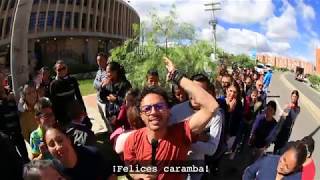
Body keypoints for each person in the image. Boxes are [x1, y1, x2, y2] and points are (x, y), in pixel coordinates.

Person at [123, 57, 219, 180]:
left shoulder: (181, 134)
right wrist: (139, 175)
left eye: (159, 106)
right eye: (147, 108)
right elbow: (130, 168)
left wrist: (177, 76)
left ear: (169, 111)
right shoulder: (132, 140)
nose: (153, 112)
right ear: (141, 114)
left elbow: (211, 106)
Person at [170, 73, 223, 180]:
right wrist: (198, 137)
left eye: (200, 92)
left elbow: (211, 149)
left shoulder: (216, 115)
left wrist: (184, 140)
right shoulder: (175, 111)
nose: (195, 95)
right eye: (192, 90)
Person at [44, 126, 115, 180]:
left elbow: (111, 176)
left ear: (68, 139)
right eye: (52, 144)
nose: (58, 147)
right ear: (48, 150)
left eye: (60, 140)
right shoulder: (53, 171)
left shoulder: (92, 155)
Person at [0, 72, 29, 164]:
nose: (1, 82)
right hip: (6, 135)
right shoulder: (7, 96)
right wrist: (5, 100)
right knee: (13, 161)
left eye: (1, 79)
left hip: (18, 132)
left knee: (26, 158)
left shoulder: (11, 92)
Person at [243, 141, 307, 180]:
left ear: (294, 169)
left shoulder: (297, 178)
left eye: (287, 167)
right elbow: (249, 172)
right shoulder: (268, 160)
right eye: (284, 159)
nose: (281, 166)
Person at [50, 60, 86, 127]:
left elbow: (78, 96)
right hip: (62, 115)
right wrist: (55, 118)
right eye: (59, 69)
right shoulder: (53, 84)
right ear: (55, 70)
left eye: (63, 68)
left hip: (74, 112)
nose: (62, 71)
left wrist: (83, 109)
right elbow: (53, 103)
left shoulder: (72, 80)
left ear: (67, 68)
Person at [99, 61, 132, 132]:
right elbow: (101, 98)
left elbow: (129, 100)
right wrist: (102, 87)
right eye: (106, 72)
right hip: (110, 114)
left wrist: (116, 99)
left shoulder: (124, 84)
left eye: (109, 72)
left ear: (115, 72)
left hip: (122, 116)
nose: (107, 74)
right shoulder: (108, 83)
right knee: (114, 134)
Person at [93, 52, 109, 131]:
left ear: (106, 60)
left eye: (101, 60)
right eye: (98, 60)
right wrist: (100, 84)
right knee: (103, 117)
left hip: (106, 101)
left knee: (108, 118)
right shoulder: (99, 71)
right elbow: (94, 84)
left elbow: (105, 85)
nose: (99, 62)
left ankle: (112, 134)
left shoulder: (108, 71)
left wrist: (98, 85)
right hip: (99, 99)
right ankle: (109, 132)